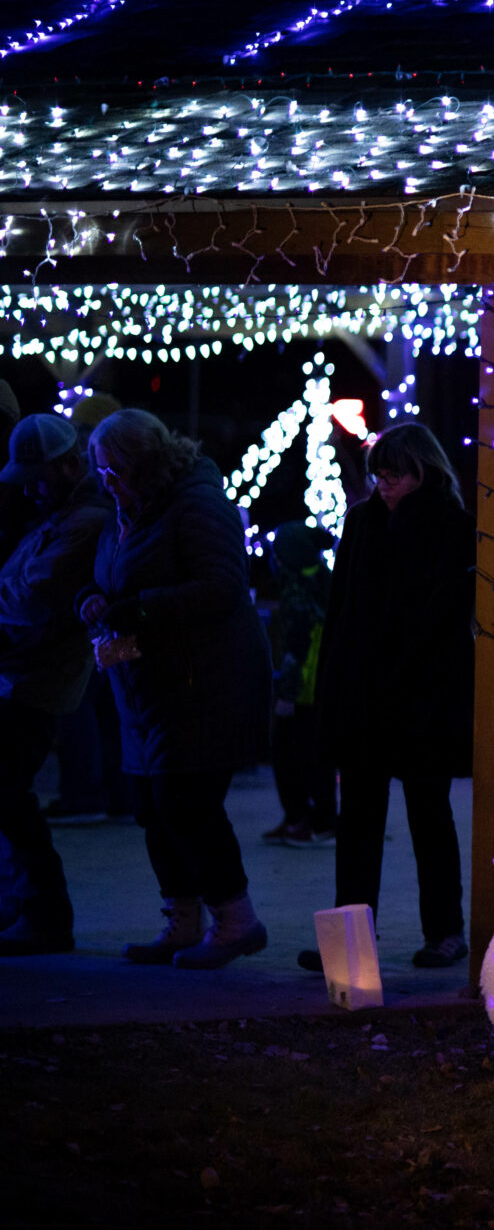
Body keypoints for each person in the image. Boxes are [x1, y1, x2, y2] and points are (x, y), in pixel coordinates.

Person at [81, 409, 271, 969]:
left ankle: (237, 921)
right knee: (150, 805)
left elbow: (222, 586)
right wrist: (91, 601)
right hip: (146, 685)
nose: (104, 479)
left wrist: (139, 608)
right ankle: (181, 921)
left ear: (140, 462)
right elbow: (107, 577)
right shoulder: (127, 511)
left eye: (111, 467)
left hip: (202, 683)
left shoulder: (195, 504)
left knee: (185, 802)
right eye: (100, 470)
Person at [304, 422, 475, 972]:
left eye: (395, 475)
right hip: (367, 693)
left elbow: (440, 620)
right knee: (360, 820)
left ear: (422, 471)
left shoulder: (450, 526)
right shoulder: (366, 521)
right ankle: (353, 936)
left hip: (419, 695)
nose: (385, 484)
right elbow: (343, 611)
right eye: (380, 474)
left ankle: (445, 931)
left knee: (426, 813)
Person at [0, 415, 113, 954]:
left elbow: (30, 596)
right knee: (8, 794)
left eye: (38, 477)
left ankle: (44, 912)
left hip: (35, 679)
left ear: (71, 465)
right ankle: (35, 908)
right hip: (25, 674)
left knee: (8, 794)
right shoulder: (65, 513)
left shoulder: (84, 521)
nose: (31, 489)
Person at [47, 393, 126, 824]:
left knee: (80, 700)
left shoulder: (88, 482)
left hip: (90, 604)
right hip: (111, 599)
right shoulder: (121, 477)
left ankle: (85, 792)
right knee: (112, 702)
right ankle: (119, 792)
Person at [262, 521, 336, 848]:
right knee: (313, 754)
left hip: (305, 689)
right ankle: (309, 818)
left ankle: (308, 821)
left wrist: (287, 694)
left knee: (289, 753)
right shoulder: (322, 578)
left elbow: (298, 645)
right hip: (323, 686)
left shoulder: (297, 588)